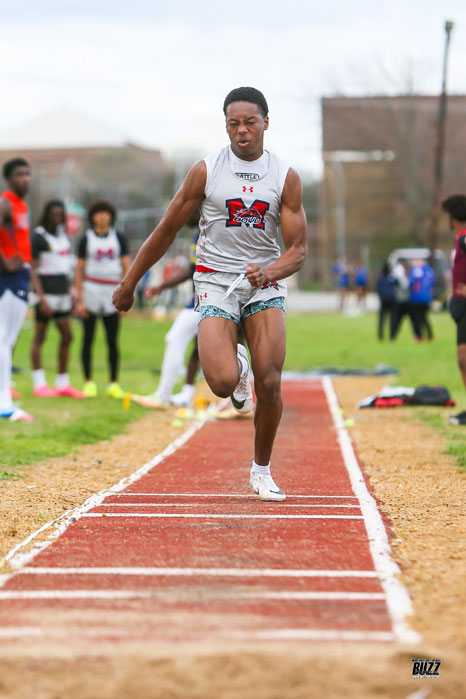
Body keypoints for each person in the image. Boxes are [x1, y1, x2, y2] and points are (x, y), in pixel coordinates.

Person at [113, 86, 306, 502]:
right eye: (233, 123)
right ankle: (237, 361)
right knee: (220, 384)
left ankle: (261, 470)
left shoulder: (285, 177)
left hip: (263, 282)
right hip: (216, 280)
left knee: (270, 380)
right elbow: (165, 229)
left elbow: (298, 250)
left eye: (250, 122)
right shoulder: (207, 171)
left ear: (266, 123)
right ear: (225, 126)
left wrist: (269, 270)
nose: (242, 131)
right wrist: (130, 281)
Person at [134, 221, 200, 409]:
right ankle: (184, 394)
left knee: (176, 339)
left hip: (213, 300)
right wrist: (162, 286)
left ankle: (163, 396)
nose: (185, 215)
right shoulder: (200, 232)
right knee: (197, 346)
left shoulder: (213, 229)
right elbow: (191, 270)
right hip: (201, 300)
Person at [30, 200, 86, 398]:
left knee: (68, 336)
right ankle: (39, 384)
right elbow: (33, 270)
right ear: (46, 215)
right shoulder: (39, 237)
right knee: (40, 337)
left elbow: (65, 267)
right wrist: (41, 298)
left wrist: (72, 292)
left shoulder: (63, 236)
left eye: (60, 214)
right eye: (53, 214)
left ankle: (62, 383)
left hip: (63, 293)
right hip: (46, 293)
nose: (57, 217)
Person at [74, 200, 130, 399]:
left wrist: (126, 291)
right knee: (88, 338)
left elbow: (126, 265)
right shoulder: (86, 239)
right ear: (93, 217)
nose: (102, 217)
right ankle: (88, 382)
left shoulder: (119, 238)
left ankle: (113, 383)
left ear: (111, 216)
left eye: (106, 213)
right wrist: (79, 299)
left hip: (111, 290)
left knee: (112, 340)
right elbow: (79, 269)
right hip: (91, 289)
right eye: (99, 213)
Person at [0, 158, 35, 422]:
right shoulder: (5, 201)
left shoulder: (21, 204)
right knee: (2, 340)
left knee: (7, 341)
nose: (26, 179)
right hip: (9, 277)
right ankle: (5, 405)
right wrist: (8, 260)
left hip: (20, 275)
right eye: (19, 174)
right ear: (9, 179)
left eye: (27, 174)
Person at [441, 195, 466, 424]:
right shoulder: (459, 239)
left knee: (464, 359)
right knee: (462, 360)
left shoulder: (465, 238)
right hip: (459, 306)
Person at [408, 259, 435, 342]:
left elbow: (411, 283)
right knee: (424, 317)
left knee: (415, 318)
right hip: (426, 298)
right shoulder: (430, 270)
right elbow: (432, 284)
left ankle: (418, 336)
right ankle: (430, 335)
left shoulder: (416, 270)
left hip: (416, 297)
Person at [376, 261, 396, 340]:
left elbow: (378, 289)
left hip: (383, 301)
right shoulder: (391, 278)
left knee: (382, 319)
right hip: (390, 301)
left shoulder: (380, 279)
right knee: (392, 319)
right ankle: (391, 336)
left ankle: (381, 335)